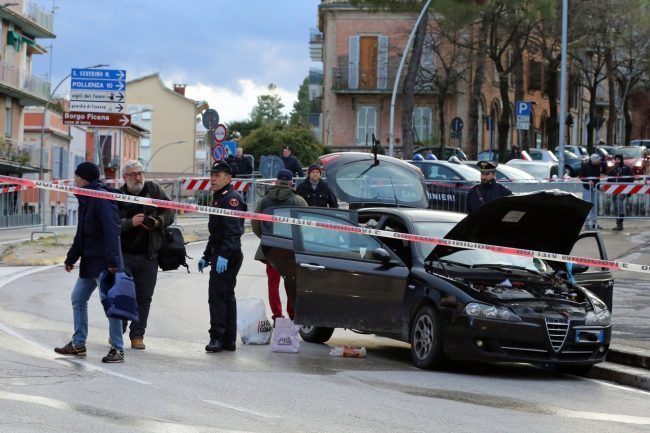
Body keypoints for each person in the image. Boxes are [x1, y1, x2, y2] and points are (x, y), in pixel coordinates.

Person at [54, 162, 125, 363]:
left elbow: (112, 231)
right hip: (90, 262)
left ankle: (118, 349)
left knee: (110, 305)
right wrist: (71, 258)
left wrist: (112, 261)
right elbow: (81, 234)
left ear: (83, 179)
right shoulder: (87, 198)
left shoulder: (101, 199)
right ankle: (78, 344)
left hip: (104, 263)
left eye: (76, 177)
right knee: (78, 298)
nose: (74, 180)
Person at [118, 160, 175, 350]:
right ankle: (119, 329)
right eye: (133, 174)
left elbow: (170, 211)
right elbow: (111, 225)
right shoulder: (118, 195)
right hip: (124, 255)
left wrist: (157, 222)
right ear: (125, 177)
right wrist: (130, 223)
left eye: (140, 173)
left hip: (150, 255)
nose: (138, 177)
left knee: (144, 297)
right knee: (123, 294)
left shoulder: (154, 189)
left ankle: (137, 335)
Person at [197, 161, 247, 353]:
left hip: (228, 253)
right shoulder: (218, 198)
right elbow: (216, 232)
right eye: (212, 175)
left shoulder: (230, 199)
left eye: (217, 176)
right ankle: (228, 340)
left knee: (218, 298)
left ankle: (217, 338)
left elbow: (232, 232)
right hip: (222, 251)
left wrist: (223, 256)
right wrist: (206, 255)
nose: (213, 179)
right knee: (226, 297)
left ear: (228, 178)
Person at [252, 169, 307, 323]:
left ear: (276, 182)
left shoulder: (264, 201)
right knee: (292, 281)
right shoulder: (298, 201)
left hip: (270, 249)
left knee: (273, 283)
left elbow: (255, 224)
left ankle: (277, 316)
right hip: (291, 250)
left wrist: (266, 239)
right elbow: (306, 226)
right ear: (291, 182)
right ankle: (293, 314)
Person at [608, 154, 633, 231]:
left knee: (619, 201)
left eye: (618, 159)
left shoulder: (626, 168)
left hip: (622, 189)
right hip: (614, 189)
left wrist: (628, 190)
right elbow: (609, 179)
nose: (617, 161)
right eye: (616, 159)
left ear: (621, 160)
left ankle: (621, 214)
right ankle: (619, 224)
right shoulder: (613, 169)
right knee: (615, 205)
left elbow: (631, 179)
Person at [581, 153, 605, 229]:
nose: (599, 162)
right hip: (587, 188)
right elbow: (581, 176)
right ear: (593, 160)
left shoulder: (598, 166)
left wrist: (599, 184)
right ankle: (587, 223)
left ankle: (594, 223)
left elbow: (598, 176)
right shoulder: (585, 166)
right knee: (587, 206)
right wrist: (588, 181)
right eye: (598, 160)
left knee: (595, 206)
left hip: (595, 188)